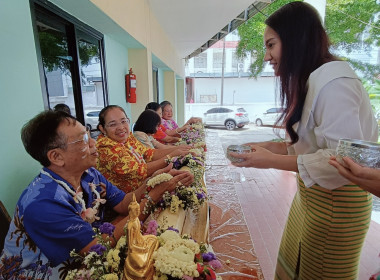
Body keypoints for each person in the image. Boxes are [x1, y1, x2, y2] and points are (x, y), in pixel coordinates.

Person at [229, 2, 378, 279]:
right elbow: (303, 145)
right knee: (292, 266)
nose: (266, 56)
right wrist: (261, 147)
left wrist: (269, 161)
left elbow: (340, 161)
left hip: (337, 205)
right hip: (310, 199)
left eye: (271, 45)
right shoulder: (312, 79)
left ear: (296, 40)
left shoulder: (335, 82)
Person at [0, 110, 190, 279]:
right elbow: (99, 248)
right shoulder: (43, 204)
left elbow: (123, 203)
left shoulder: (89, 174)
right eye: (83, 140)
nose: (94, 143)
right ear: (57, 157)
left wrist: (154, 181)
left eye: (90, 135)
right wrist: (154, 195)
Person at [96, 105, 192, 193]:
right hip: (129, 202)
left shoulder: (128, 137)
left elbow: (149, 153)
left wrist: (180, 150)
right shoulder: (105, 148)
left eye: (123, 121)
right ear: (102, 128)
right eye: (113, 124)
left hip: (145, 187)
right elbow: (137, 171)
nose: (121, 127)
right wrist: (171, 156)